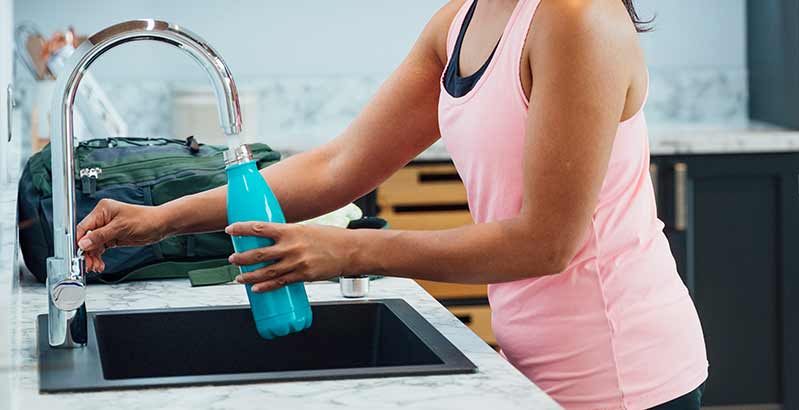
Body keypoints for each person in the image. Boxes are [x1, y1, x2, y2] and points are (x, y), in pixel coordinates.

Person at [77, 1, 708, 408]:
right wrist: (161, 220)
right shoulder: (461, 20)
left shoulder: (578, 17)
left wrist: (347, 251)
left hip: (623, 376)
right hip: (528, 367)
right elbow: (340, 165)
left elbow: (547, 241)